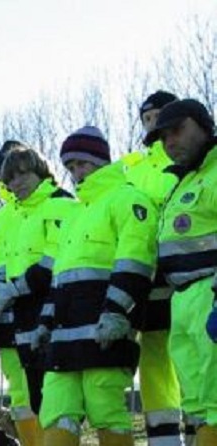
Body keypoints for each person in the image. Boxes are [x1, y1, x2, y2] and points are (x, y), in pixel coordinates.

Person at [37, 126, 157, 446]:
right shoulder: (75, 215)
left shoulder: (128, 199)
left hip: (106, 330)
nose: (77, 173)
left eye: (83, 164)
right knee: (56, 411)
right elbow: (59, 279)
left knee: (105, 408)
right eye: (71, 167)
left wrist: (118, 312)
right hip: (64, 336)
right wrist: (45, 323)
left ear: (102, 160)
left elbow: (136, 260)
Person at [0, 142, 76, 446]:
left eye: (23, 174)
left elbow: (53, 262)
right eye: (10, 179)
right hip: (21, 314)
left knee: (59, 395)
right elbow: (2, 263)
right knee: (35, 395)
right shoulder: (3, 218)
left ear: (40, 170)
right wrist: (0, 290)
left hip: (56, 308)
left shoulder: (62, 203)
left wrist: (11, 289)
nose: (17, 183)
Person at [149, 98, 217, 444]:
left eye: (177, 130)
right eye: (163, 138)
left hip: (211, 294)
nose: (170, 142)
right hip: (184, 301)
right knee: (199, 404)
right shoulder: (183, 183)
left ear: (204, 125)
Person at [122, 90, 184, 446]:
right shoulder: (133, 168)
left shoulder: (190, 160)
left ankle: (199, 430)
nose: (152, 125)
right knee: (154, 358)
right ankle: (163, 438)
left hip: (186, 276)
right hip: (147, 277)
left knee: (192, 356)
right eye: (146, 120)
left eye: (158, 117)